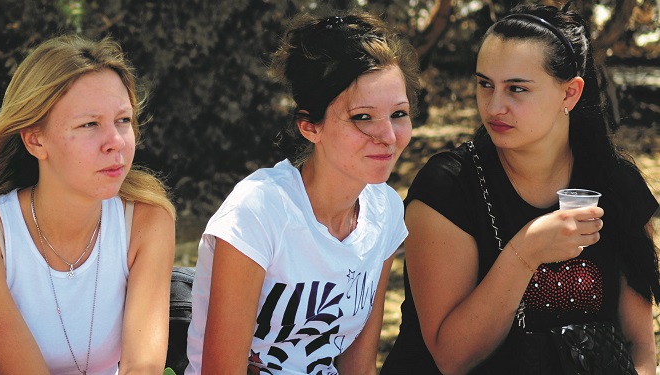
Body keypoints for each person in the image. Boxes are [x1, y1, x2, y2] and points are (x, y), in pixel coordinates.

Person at [381, 3, 660, 374]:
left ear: (569, 94)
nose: (495, 106)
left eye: (516, 89)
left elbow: (639, 345)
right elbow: (452, 358)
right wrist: (525, 252)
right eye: (485, 85)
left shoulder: (616, 184)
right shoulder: (447, 188)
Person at [184, 11, 421, 375]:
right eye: (362, 117)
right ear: (310, 126)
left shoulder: (385, 210)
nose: (388, 136)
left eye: (399, 114)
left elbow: (358, 366)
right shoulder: (259, 212)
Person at [0, 35, 176, 374]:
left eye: (123, 120)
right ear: (36, 139)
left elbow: (144, 368)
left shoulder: (147, 221)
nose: (116, 142)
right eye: (89, 124)